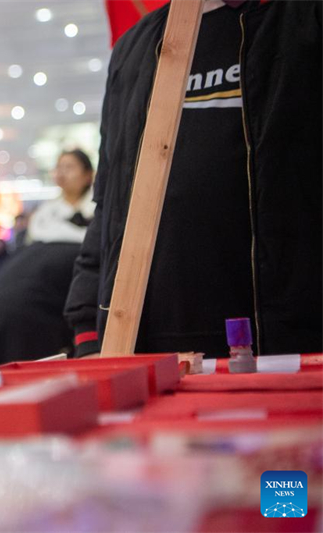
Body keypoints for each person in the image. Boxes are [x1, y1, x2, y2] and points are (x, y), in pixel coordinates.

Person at [65, 0, 322, 358]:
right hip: (152, 346)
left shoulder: (304, 25)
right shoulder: (135, 48)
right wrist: (87, 330)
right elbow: (110, 203)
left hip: (286, 342)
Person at [0, 150, 95, 364]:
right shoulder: (44, 215)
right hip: (17, 294)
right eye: (59, 168)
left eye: (70, 167)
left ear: (88, 175)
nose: (62, 173)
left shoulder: (99, 213)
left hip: (51, 296)